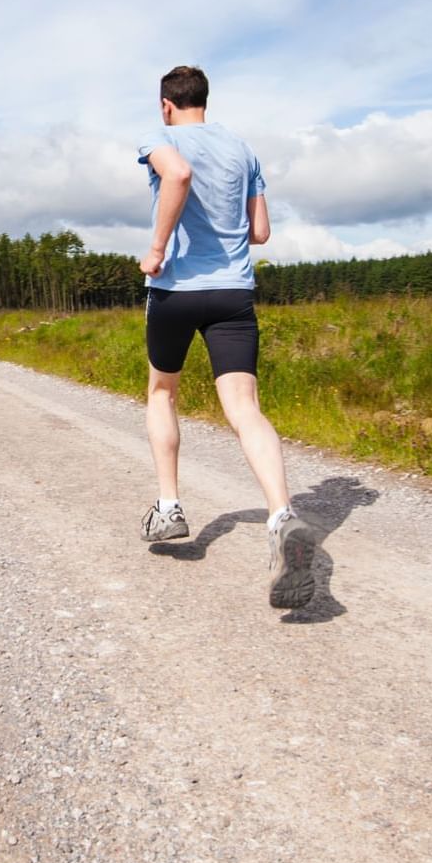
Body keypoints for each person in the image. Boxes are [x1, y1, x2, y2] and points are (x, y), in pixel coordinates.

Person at [136, 65, 314, 609]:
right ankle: (282, 514)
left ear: (167, 105)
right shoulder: (242, 149)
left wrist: (158, 249)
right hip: (234, 293)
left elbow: (178, 175)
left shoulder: (160, 139)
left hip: (175, 291)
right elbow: (260, 231)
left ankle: (169, 508)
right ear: (204, 101)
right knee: (244, 408)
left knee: (163, 391)